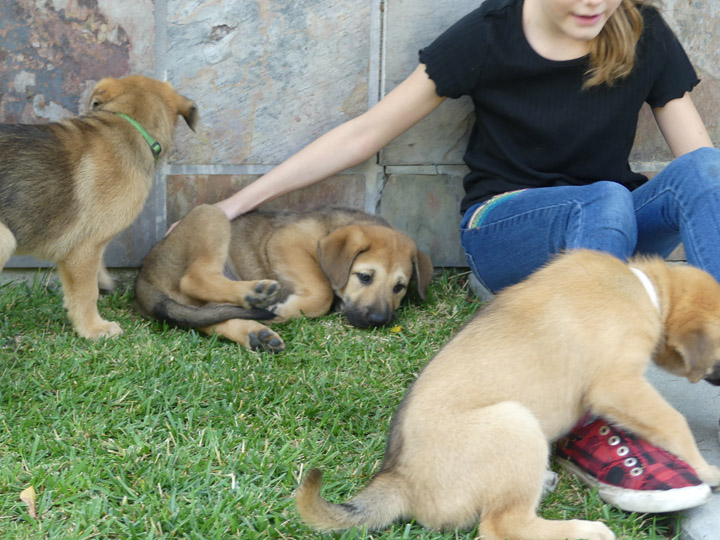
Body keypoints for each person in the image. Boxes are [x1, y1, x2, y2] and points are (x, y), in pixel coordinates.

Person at [211, 0, 720, 513]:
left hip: (608, 236)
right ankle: (589, 429)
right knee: (605, 198)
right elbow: (365, 133)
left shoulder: (639, 29)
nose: (595, 4)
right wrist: (230, 206)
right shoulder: (490, 32)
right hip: (506, 227)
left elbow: (700, 170)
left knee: (704, 171)